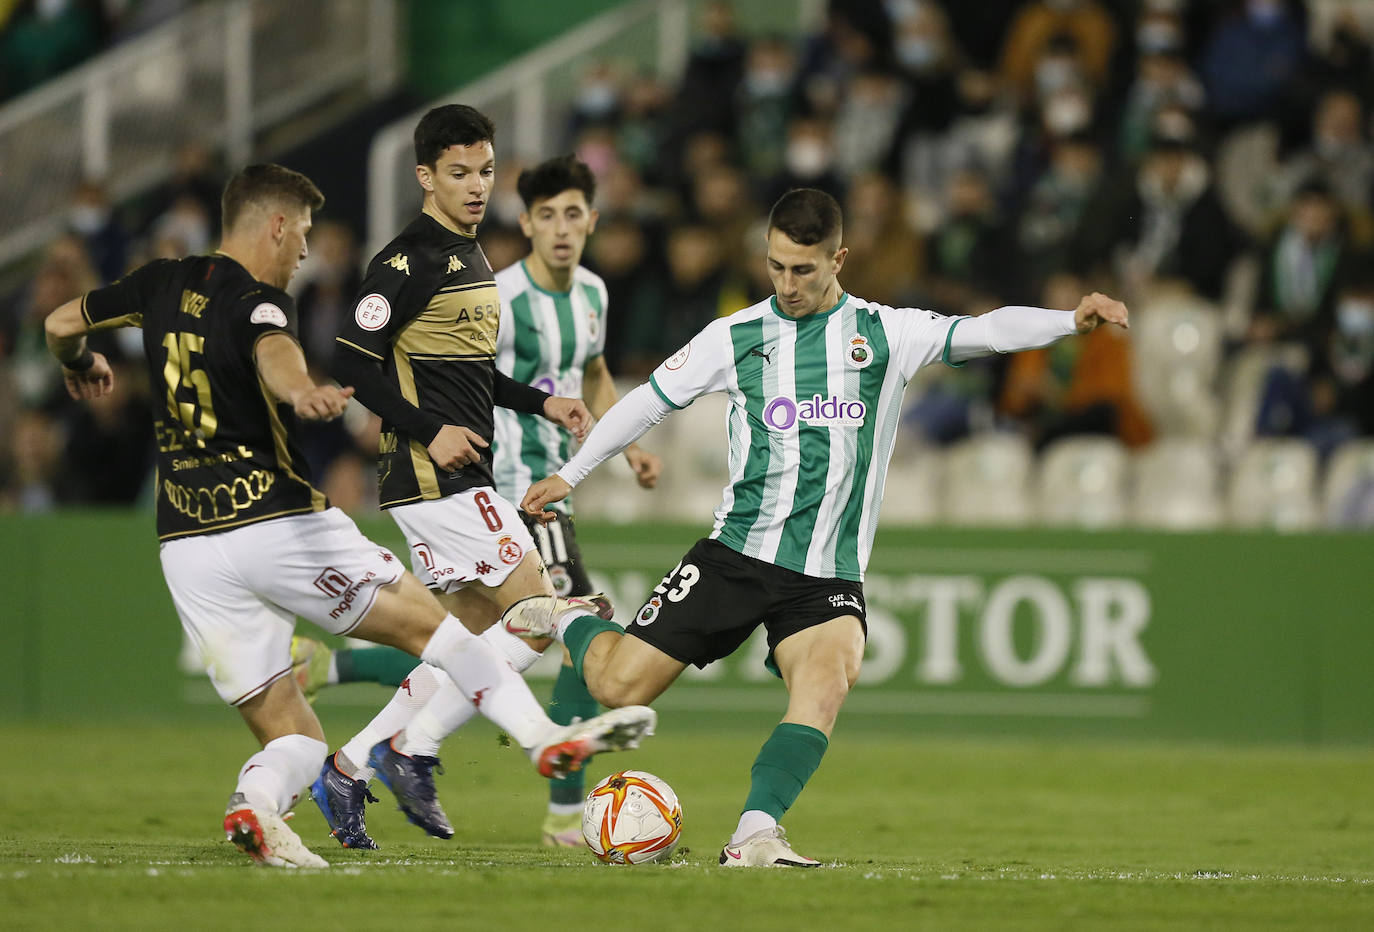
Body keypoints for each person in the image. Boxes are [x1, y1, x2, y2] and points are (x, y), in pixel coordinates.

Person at [42, 163, 655, 869]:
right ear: (275, 224)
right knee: (442, 631)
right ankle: (543, 738)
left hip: (185, 544)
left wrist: (78, 359)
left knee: (292, 737)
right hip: (273, 521)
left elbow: (61, 320)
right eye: (300, 234)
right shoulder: (261, 302)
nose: (302, 252)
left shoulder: (155, 282)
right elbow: (276, 352)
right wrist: (303, 391)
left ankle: (257, 806)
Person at [501, 187, 1129, 867]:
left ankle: (755, 833)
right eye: (776, 267)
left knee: (829, 681)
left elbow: (983, 331)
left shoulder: (886, 334)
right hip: (737, 554)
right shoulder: (736, 336)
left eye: (803, 270)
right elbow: (647, 403)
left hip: (827, 573)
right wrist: (573, 473)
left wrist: (1070, 320)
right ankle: (570, 616)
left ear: (839, 260)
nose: (787, 284)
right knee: (617, 688)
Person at [292, 153, 663, 847]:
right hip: (493, 486)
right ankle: (530, 760)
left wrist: (596, 426)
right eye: (545, 214)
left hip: (485, 481)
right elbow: (367, 363)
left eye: (573, 214)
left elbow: (579, 372)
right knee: (547, 616)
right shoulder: (471, 280)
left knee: (465, 646)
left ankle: (350, 763)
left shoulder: (585, 294)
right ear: (524, 222)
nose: (559, 229)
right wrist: (430, 429)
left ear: (593, 220)